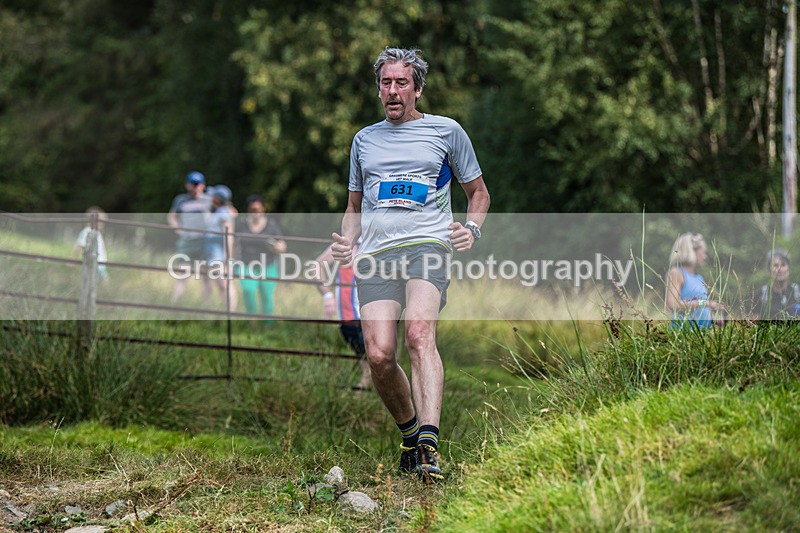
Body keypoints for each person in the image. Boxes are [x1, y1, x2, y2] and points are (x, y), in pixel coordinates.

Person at [331, 48, 490, 482]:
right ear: (378, 88)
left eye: (402, 82)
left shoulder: (447, 132)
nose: (393, 90)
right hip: (376, 255)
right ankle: (408, 434)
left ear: (417, 88)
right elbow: (354, 207)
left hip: (427, 246)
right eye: (386, 82)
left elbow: (479, 194)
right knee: (380, 355)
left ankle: (428, 448)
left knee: (419, 333)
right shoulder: (364, 140)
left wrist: (470, 229)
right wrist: (346, 241)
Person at [315, 242, 371, 391]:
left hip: (373, 314)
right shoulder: (346, 244)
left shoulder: (382, 240)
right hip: (348, 317)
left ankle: (365, 387)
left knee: (375, 354)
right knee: (363, 352)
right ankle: (366, 386)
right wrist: (327, 295)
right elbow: (317, 265)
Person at [235, 195, 286, 319]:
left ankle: (267, 325)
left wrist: (275, 246)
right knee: (248, 291)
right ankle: (251, 320)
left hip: (268, 265)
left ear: (263, 209)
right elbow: (231, 241)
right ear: (248, 210)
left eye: (258, 209)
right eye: (253, 210)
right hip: (246, 264)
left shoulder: (271, 225)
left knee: (267, 296)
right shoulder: (241, 223)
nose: (256, 212)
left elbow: (282, 246)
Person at [167, 171, 212, 303]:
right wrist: (178, 229)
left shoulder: (209, 200)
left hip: (204, 241)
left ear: (203, 185)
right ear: (187, 185)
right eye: (193, 184)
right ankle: (175, 306)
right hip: (186, 242)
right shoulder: (180, 200)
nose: (195, 187)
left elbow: (228, 212)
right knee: (182, 275)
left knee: (205, 276)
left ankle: (206, 307)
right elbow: (171, 217)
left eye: (198, 184)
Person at [665, 232, 724, 328]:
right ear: (692, 251)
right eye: (703, 252)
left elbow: (701, 309)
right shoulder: (676, 273)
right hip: (683, 333)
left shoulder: (699, 278)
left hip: (702, 335)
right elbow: (673, 305)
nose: (705, 257)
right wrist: (705, 303)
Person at [204, 185, 238, 310]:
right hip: (213, 254)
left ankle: (230, 313)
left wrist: (229, 258)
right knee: (220, 284)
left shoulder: (224, 214)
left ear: (217, 199)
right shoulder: (218, 212)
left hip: (220, 256)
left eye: (212, 196)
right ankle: (224, 311)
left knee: (225, 284)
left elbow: (229, 236)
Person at [754, 248, 800, 320]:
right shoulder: (761, 294)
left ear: (789, 269)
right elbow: (753, 325)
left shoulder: (797, 291)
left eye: (783, 265)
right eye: (775, 265)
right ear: (768, 270)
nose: (779, 269)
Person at [72, 206, 109, 284]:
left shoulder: (97, 232)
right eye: (100, 221)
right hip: (95, 263)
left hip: (100, 264)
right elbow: (79, 245)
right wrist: (73, 260)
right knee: (100, 282)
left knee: (100, 282)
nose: (102, 223)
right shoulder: (87, 231)